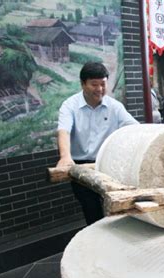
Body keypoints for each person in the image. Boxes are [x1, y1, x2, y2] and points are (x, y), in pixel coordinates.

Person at [57, 62, 139, 225]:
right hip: (81, 167)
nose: (100, 89)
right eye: (94, 85)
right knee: (92, 212)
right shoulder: (70, 106)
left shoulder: (115, 107)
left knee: (116, 209)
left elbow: (134, 128)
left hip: (107, 163)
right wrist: (65, 156)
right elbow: (63, 130)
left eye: (103, 84)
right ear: (82, 84)